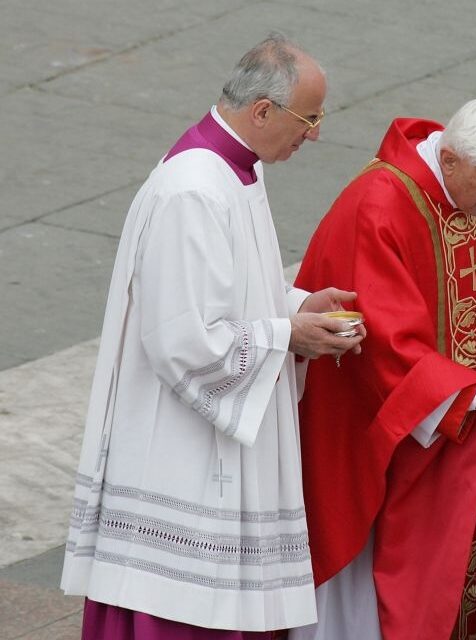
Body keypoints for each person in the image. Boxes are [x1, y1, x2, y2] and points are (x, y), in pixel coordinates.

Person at [60, 34, 366, 638]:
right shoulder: (194, 188)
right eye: (310, 118)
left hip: (210, 446)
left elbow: (222, 291)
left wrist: (297, 305)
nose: (315, 134)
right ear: (262, 111)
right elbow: (182, 340)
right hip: (181, 455)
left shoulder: (234, 170)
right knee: (181, 610)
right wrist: (287, 337)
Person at [291, 97, 476, 640]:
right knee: (400, 598)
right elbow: (382, 348)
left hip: (469, 437)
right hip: (391, 441)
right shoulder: (377, 206)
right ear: (448, 161)